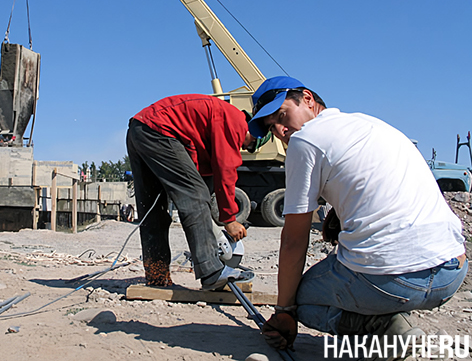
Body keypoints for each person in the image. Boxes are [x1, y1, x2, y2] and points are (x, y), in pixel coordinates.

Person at [247, 76, 467, 351]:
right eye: (271, 127)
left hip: (395, 281)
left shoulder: (304, 141)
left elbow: (293, 241)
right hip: (451, 271)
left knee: (299, 299)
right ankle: (392, 315)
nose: (280, 130)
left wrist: (284, 311)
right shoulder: (371, 124)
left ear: (307, 98)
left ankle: (387, 329)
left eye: (281, 115)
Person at [126, 94, 255, 290]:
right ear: (251, 130)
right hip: (159, 130)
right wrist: (229, 219)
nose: (243, 148)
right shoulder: (235, 121)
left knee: (153, 210)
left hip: (140, 129)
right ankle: (212, 272)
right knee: (196, 196)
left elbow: (201, 172)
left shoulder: (214, 123)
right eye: (248, 144)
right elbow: (225, 170)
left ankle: (157, 276)